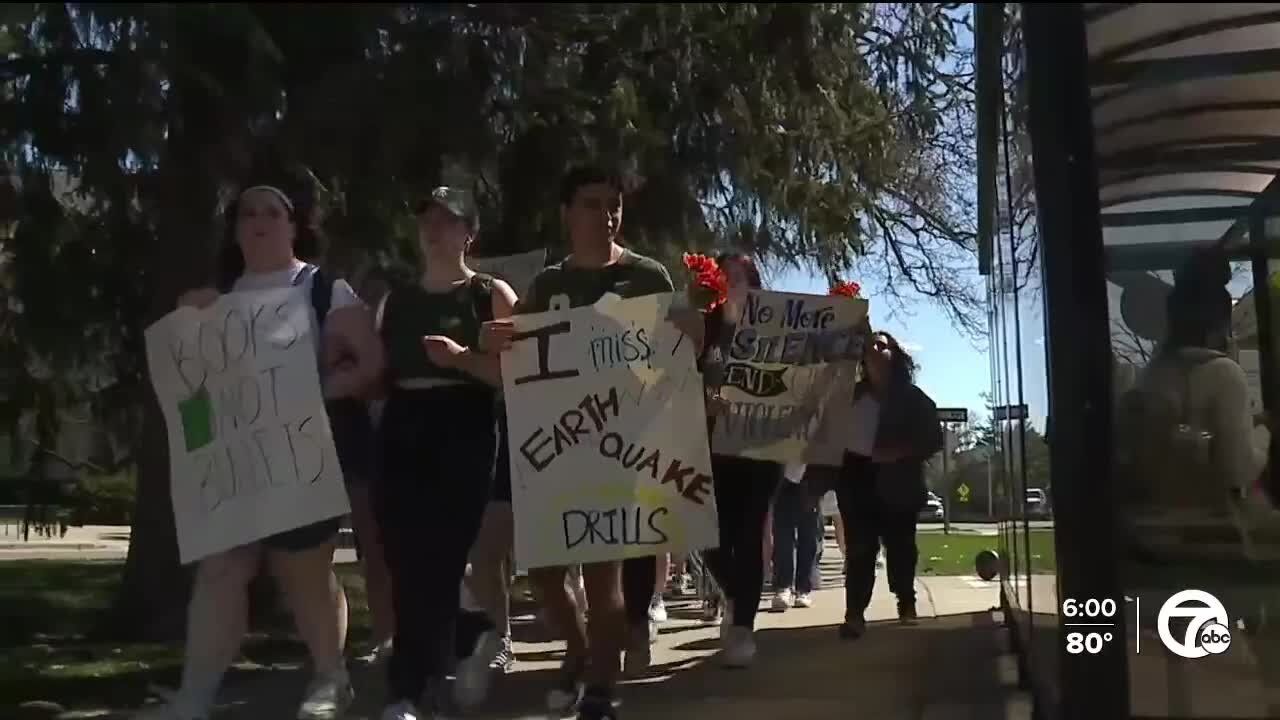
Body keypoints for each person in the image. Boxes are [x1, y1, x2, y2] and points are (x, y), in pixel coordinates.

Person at [137, 170, 384, 720]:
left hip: (304, 456)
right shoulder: (215, 302)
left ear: (295, 225)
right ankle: (195, 696)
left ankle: (329, 676)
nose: (259, 222)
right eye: (248, 213)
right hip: (233, 462)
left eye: (272, 212)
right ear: (234, 230)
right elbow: (194, 391)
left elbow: (371, 365)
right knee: (221, 569)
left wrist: (313, 392)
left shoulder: (321, 290)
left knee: (303, 573)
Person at [481, 164, 700, 720]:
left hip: (619, 446)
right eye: (591, 203)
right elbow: (517, 360)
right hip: (555, 447)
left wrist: (692, 335)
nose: (605, 214)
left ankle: (601, 687)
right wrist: (487, 342)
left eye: (613, 204)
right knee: (547, 575)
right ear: (567, 212)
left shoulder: (648, 277)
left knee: (604, 573)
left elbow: (672, 355)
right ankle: (579, 653)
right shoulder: (550, 285)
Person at [374, 186, 517, 720]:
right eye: (427, 220)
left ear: (469, 232)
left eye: (447, 220)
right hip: (402, 423)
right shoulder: (399, 300)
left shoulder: (489, 293)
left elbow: (522, 372)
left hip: (464, 424)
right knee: (403, 555)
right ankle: (473, 633)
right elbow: (378, 372)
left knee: (437, 557)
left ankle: (410, 690)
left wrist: (461, 359)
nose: (434, 230)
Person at [700, 252, 785, 668]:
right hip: (712, 446)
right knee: (710, 536)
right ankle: (736, 596)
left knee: (750, 533)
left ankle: (742, 628)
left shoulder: (777, 326)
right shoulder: (704, 327)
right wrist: (704, 401)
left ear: (755, 282)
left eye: (741, 277)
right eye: (725, 277)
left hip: (761, 448)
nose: (733, 284)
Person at [836, 331, 943, 640]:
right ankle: (854, 614)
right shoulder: (852, 396)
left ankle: (906, 601)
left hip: (899, 485)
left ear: (895, 355)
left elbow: (933, 439)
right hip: (858, 485)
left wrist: (898, 452)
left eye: (881, 345)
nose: (873, 349)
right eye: (869, 346)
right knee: (860, 550)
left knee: (901, 549)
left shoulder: (913, 398)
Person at [770, 462, 820, 611]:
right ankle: (783, 586)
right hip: (782, 477)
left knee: (809, 535)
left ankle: (803, 589)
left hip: (810, 477)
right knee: (783, 535)